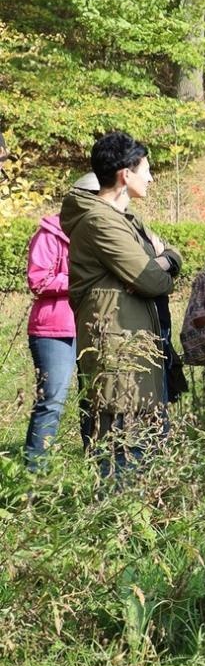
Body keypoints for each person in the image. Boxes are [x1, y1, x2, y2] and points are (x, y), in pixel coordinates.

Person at [63, 133, 182, 479]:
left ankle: (142, 527)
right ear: (124, 174)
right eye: (146, 168)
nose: (151, 177)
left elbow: (170, 256)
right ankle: (117, 530)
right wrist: (160, 261)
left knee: (148, 450)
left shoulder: (126, 219)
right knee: (122, 455)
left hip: (139, 353)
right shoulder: (101, 222)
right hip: (120, 359)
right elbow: (153, 280)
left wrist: (165, 258)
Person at [23, 179, 89, 471]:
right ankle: (35, 473)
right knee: (52, 401)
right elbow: (38, 279)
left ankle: (98, 464)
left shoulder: (97, 233)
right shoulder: (49, 233)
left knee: (95, 397)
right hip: (54, 330)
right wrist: (81, 279)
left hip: (90, 325)